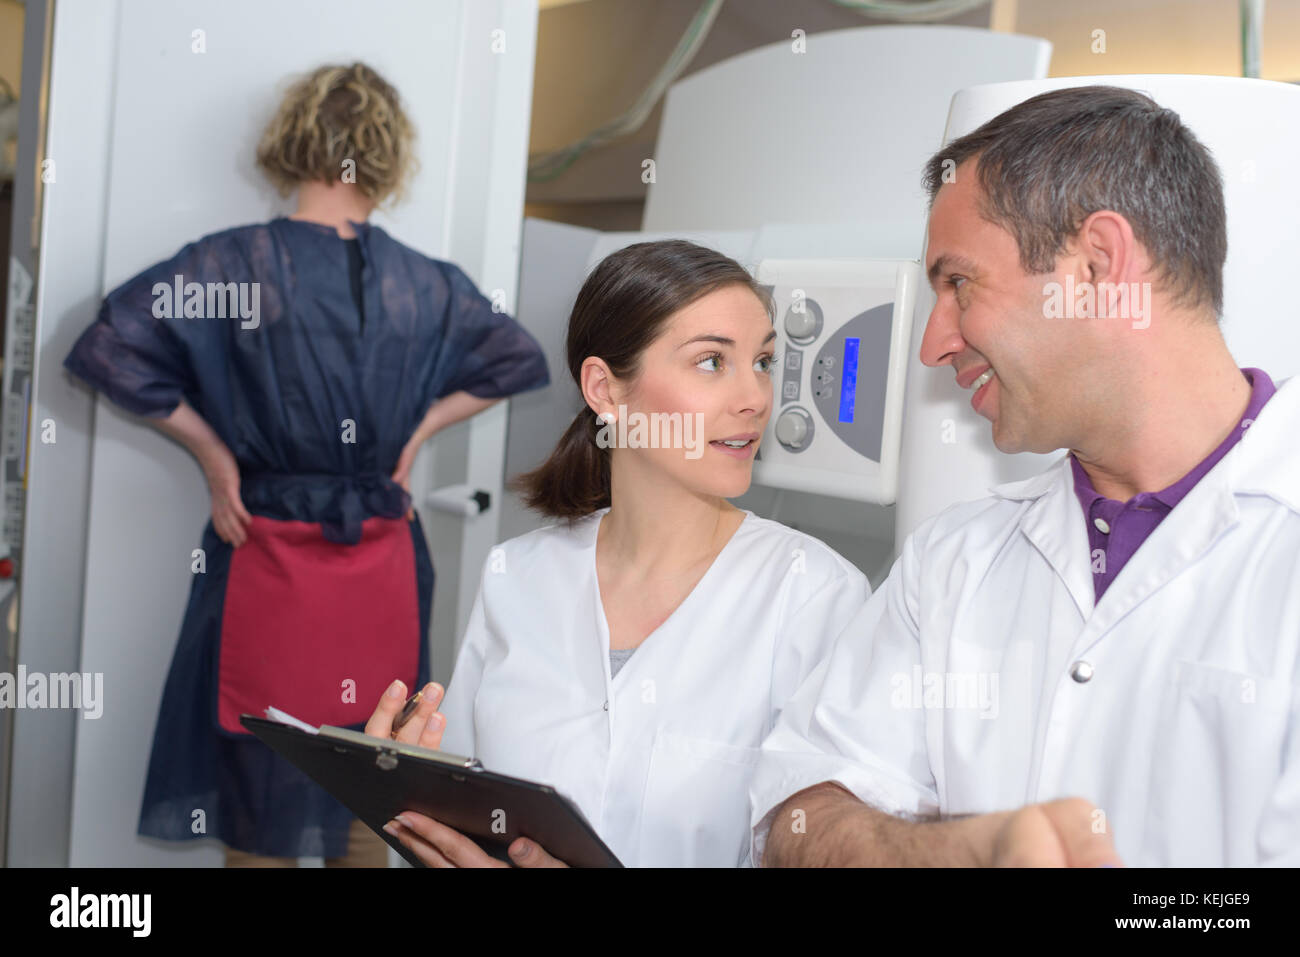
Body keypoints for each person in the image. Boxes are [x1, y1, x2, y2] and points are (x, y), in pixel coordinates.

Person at [751, 85, 1300, 867]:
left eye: (958, 283)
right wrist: (956, 853)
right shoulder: (952, 563)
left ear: (1096, 264)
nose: (932, 343)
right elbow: (798, 810)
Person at [62, 62, 549, 867]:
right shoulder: (428, 285)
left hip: (268, 546)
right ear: (386, 156)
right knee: (377, 773)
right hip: (380, 557)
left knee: (264, 776)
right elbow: (518, 357)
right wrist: (418, 432)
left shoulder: (231, 265)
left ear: (290, 142)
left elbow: (108, 342)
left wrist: (214, 453)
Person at [364, 239, 872, 867]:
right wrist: (421, 807)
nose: (756, 397)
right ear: (605, 390)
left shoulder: (814, 593)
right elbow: (482, 812)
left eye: (763, 361)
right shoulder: (516, 575)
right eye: (713, 361)